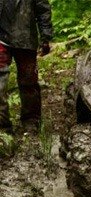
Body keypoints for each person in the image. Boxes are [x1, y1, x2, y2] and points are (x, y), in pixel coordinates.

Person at [0, 0, 52, 133]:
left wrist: (45, 36)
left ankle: (31, 120)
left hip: (25, 37)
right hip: (1, 39)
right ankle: (3, 125)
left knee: (28, 81)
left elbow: (43, 9)